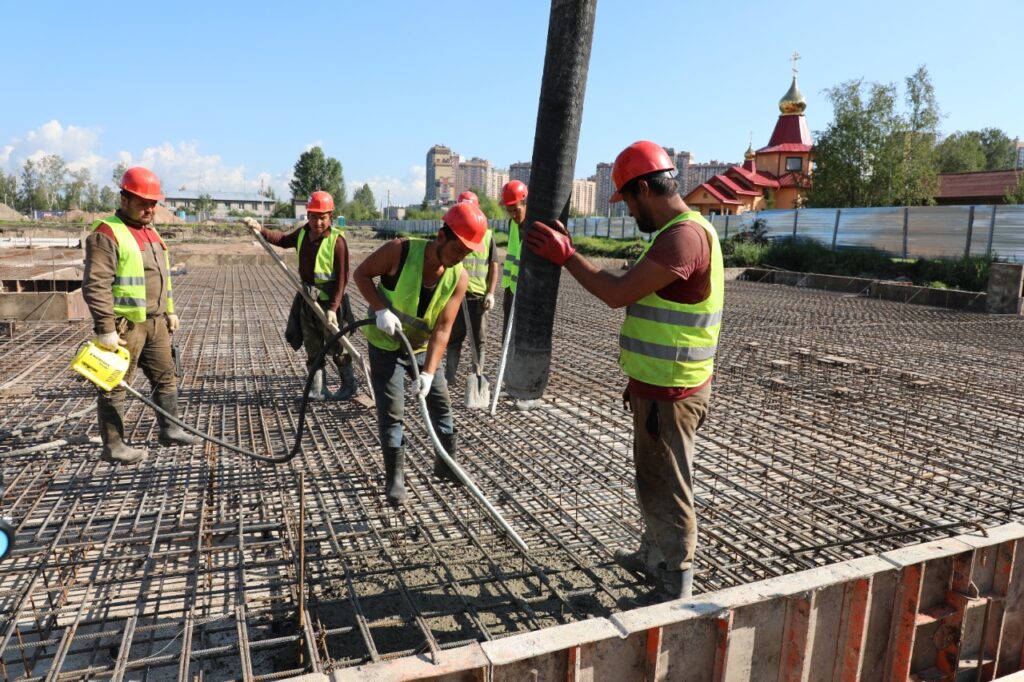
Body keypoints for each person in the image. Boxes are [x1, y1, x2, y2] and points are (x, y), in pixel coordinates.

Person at [526, 140, 724, 602]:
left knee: (668, 485)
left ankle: (675, 581)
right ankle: (654, 555)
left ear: (643, 190)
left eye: (629, 201)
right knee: (653, 477)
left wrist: (566, 255)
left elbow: (616, 293)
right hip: (657, 386)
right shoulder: (678, 232)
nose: (630, 212)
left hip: (672, 391)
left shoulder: (684, 236)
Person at [354, 202, 488, 506]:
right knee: (393, 411)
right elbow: (361, 275)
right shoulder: (398, 252)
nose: (460, 258)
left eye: (467, 253)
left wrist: (428, 372)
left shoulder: (459, 277)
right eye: (458, 250)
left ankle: (446, 464)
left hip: (422, 347)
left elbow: (443, 328)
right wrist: (379, 309)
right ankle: (396, 478)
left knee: (441, 405)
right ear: (442, 236)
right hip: (387, 344)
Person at [82, 166, 199, 464]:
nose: (149, 208)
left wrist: (169, 311)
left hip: (156, 322)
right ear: (124, 199)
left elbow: (163, 277)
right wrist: (105, 329)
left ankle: (170, 430)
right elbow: (96, 284)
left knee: (166, 376)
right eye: (142, 202)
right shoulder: (108, 232)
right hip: (125, 326)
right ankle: (114, 446)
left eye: (153, 203)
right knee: (114, 384)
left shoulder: (151, 233)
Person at [244, 191, 356, 401]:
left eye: (322, 217)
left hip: (330, 304)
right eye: (313, 216)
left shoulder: (337, 241)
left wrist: (333, 308)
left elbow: (342, 279)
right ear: (308, 215)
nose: (317, 222)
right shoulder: (303, 233)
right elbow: (283, 240)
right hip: (307, 302)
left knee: (338, 347)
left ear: (330, 216)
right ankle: (317, 390)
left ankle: (348, 386)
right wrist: (261, 230)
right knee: (312, 347)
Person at [445, 191, 499, 384]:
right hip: (455, 295)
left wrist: (491, 293)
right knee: (453, 339)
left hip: (477, 297)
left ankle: (477, 378)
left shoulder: (487, 235)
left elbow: (493, 265)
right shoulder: (451, 232)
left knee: (479, 341)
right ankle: (449, 378)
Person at [499, 180, 528, 335]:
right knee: (507, 336)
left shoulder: (535, 226)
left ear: (525, 204)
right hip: (511, 289)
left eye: (516, 210)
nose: (513, 215)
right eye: (509, 211)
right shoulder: (512, 225)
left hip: (527, 293)